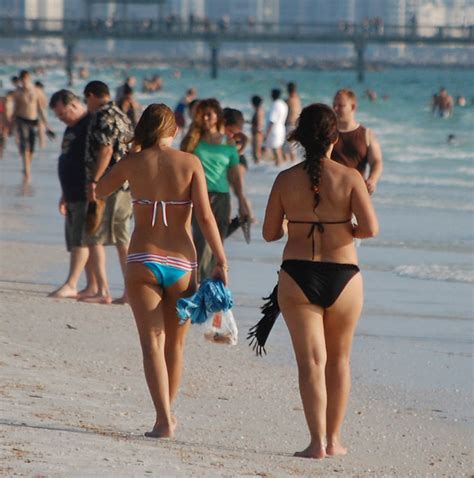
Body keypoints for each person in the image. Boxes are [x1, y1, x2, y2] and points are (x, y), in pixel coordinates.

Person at [96, 104, 228, 438]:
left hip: (143, 258)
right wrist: (222, 261)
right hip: (182, 262)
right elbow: (206, 217)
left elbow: (98, 190)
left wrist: (129, 157)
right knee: (176, 346)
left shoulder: (133, 163)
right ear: (172, 128)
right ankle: (166, 414)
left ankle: (163, 420)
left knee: (151, 343)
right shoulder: (190, 162)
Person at [262, 103, 378, 458]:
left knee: (310, 362)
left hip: (297, 275)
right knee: (339, 360)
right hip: (344, 274)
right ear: (334, 138)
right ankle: (334, 439)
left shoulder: (285, 179)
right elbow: (371, 229)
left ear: (298, 138)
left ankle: (315, 443)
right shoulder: (350, 178)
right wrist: (342, 230)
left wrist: (295, 226)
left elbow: (269, 234)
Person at [181, 98, 250, 281]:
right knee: (201, 245)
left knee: (217, 246)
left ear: (217, 116)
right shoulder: (192, 141)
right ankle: (198, 287)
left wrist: (243, 203)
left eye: (209, 114)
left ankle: (212, 291)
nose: (205, 117)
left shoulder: (228, 143)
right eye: (202, 114)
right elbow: (181, 171)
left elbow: (235, 178)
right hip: (198, 197)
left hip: (221, 199)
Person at [82, 80, 134, 304]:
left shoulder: (102, 115)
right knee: (122, 236)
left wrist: (95, 180)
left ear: (92, 95)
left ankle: (104, 290)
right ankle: (129, 291)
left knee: (95, 235)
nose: (87, 105)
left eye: (86, 100)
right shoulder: (122, 115)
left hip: (108, 183)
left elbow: (105, 149)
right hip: (125, 184)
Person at [48, 90, 94, 299]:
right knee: (78, 239)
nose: (61, 119)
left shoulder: (89, 125)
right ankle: (91, 284)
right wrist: (64, 193)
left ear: (74, 105)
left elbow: (96, 158)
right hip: (71, 191)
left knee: (81, 239)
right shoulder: (72, 127)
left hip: (85, 191)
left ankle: (72, 283)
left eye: (63, 114)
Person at [332, 89, 383, 194]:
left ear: (353, 107)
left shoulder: (366, 134)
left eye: (341, 105)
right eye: (334, 105)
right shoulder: (328, 133)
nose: (335, 109)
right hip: (331, 191)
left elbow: (376, 161)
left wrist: (372, 180)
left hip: (356, 192)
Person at [12, 70, 48, 181]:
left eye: (26, 79)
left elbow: (41, 108)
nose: (24, 82)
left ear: (29, 79)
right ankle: (27, 171)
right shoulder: (17, 92)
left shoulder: (37, 91)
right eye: (22, 80)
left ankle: (27, 166)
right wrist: (11, 124)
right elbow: (15, 109)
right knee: (25, 145)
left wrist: (46, 123)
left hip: (33, 120)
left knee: (31, 147)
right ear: (20, 80)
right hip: (21, 120)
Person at [265, 88, 288, 166]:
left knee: (276, 150)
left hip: (274, 130)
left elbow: (272, 120)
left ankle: (278, 165)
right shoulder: (283, 104)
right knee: (278, 149)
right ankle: (279, 166)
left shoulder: (275, 104)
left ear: (273, 95)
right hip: (281, 128)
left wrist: (267, 133)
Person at [285, 82, 301, 162]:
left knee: (289, 149)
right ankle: (292, 164)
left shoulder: (288, 100)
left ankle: (289, 167)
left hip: (290, 124)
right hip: (296, 125)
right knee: (293, 148)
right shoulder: (297, 99)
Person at [250, 95, 264, 164]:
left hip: (257, 134)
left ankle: (257, 167)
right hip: (258, 134)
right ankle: (257, 168)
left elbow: (259, 125)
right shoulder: (260, 110)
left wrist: (255, 131)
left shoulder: (258, 111)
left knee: (256, 153)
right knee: (256, 152)